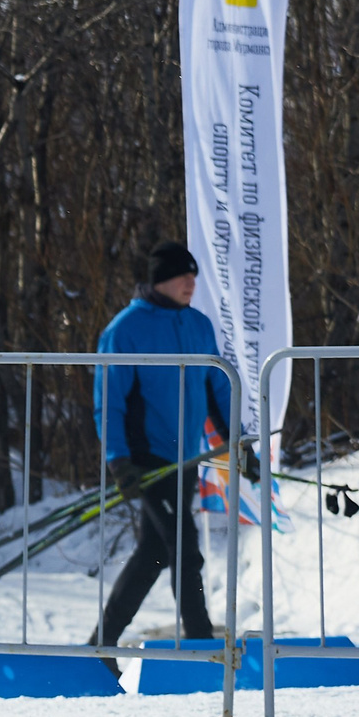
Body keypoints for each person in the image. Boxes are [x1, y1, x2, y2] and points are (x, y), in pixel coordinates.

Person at [91, 240, 233, 658]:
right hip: (146, 457)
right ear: (160, 280)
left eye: (194, 276)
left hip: (185, 457)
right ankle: (202, 645)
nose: (191, 283)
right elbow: (109, 400)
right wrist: (118, 459)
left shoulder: (199, 325)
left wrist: (239, 443)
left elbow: (219, 388)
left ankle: (99, 648)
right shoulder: (126, 329)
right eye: (182, 275)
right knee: (185, 547)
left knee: (153, 553)